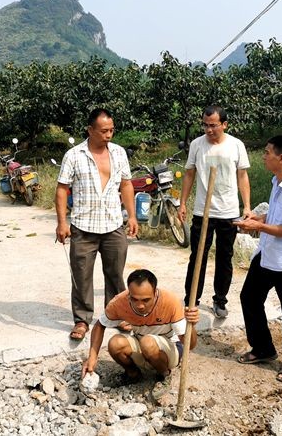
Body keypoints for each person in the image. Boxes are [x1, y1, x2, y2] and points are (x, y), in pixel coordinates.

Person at [234, 135, 282, 382]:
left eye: (267, 152)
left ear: (281, 158)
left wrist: (257, 228)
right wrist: (259, 219)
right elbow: (278, 216)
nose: (264, 156)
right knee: (249, 296)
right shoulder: (278, 182)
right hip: (268, 254)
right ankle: (263, 348)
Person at [56, 108, 139, 341]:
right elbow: (62, 189)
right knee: (81, 276)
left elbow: (126, 185)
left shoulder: (119, 153)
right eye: (103, 131)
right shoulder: (73, 155)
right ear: (90, 130)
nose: (108, 135)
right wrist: (62, 222)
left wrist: (131, 216)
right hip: (83, 226)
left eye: (111, 130)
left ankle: (116, 314)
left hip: (113, 224)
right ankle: (82, 320)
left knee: (115, 273)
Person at [178, 105, 252, 319]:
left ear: (224, 125)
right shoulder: (197, 145)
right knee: (197, 257)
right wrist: (183, 203)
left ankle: (220, 300)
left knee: (224, 257)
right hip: (203, 212)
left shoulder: (236, 145)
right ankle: (191, 299)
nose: (208, 130)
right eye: (205, 125)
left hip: (228, 211)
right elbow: (189, 174)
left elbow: (242, 177)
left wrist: (246, 207)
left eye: (213, 126)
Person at [81, 269, 199, 399]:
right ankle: (133, 374)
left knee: (147, 342)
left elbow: (190, 345)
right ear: (129, 294)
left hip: (169, 350)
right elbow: (100, 325)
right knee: (115, 343)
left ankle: (164, 375)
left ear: (155, 293)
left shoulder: (170, 301)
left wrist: (191, 325)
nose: (140, 305)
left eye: (146, 300)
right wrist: (92, 357)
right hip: (142, 345)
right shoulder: (120, 302)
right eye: (134, 299)